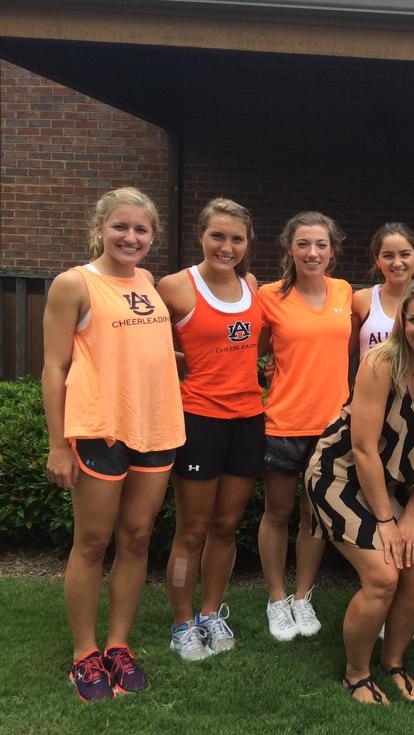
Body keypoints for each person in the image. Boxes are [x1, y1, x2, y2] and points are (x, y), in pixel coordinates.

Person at [43, 187, 184, 701]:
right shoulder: (74, 284)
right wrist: (59, 444)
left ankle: (118, 646)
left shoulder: (147, 281)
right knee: (93, 543)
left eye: (141, 229)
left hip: (155, 425)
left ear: (153, 236)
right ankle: (85, 654)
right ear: (99, 227)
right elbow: (54, 366)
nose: (130, 237)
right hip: (99, 427)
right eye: (120, 227)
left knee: (138, 536)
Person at [306, 277, 414, 704]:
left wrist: (412, 513)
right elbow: (362, 449)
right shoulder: (381, 363)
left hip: (394, 481)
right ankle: (356, 674)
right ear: (402, 323)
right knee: (382, 575)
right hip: (340, 474)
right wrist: (386, 521)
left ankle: (393, 662)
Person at [159, 198, 265, 660]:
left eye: (236, 238)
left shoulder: (253, 284)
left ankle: (209, 612)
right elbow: (153, 347)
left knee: (226, 526)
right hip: (200, 419)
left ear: (247, 243)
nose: (227, 246)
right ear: (201, 235)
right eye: (218, 236)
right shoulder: (176, 286)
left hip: (247, 419)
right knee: (193, 529)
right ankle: (182, 623)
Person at [256, 212, 353, 641]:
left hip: (331, 427)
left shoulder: (346, 292)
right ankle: (276, 599)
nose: (312, 253)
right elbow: (248, 352)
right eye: (303, 245)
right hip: (283, 422)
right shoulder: (268, 296)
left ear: (332, 251)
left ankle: (302, 597)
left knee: (315, 518)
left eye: (320, 245)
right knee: (276, 513)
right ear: (289, 249)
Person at [352, 222, 414, 360]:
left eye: (405, 254)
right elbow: (345, 353)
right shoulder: (361, 300)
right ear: (377, 259)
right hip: (370, 381)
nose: (397, 263)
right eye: (388, 256)